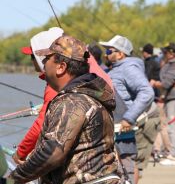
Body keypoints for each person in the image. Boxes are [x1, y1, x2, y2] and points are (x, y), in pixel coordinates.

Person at [9, 34, 122, 184]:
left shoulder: (71, 102)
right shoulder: (92, 95)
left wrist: (9, 181)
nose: (44, 63)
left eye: (47, 58)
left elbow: (52, 153)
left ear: (61, 67)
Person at [12, 28, 113, 165]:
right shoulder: (87, 71)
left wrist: (21, 153)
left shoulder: (59, 86)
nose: (34, 61)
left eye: (35, 57)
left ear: (60, 64)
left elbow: (43, 128)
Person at [100, 35, 159, 184]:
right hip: (114, 134)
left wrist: (128, 118)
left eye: (109, 51)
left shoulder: (128, 68)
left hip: (124, 135)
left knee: (125, 183)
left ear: (121, 54)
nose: (106, 54)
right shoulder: (114, 69)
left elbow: (147, 92)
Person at [151, 43, 175, 165]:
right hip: (172, 99)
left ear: (172, 53)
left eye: (165, 53)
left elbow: (166, 83)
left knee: (174, 128)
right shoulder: (172, 64)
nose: (164, 55)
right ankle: (174, 153)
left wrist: (155, 83)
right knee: (173, 128)